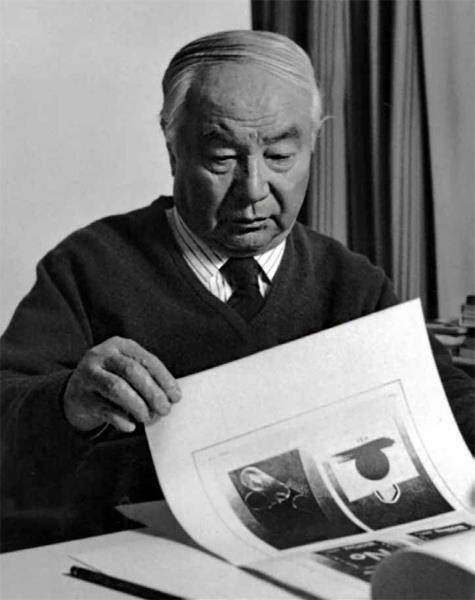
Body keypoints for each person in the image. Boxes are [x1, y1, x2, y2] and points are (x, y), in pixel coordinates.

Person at [1, 30, 473, 544]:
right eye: (222, 159)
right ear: (173, 149)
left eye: (280, 156)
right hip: (133, 552)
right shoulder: (88, 266)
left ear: (313, 145)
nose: (252, 190)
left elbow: (450, 405)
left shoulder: (352, 284)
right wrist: (67, 400)